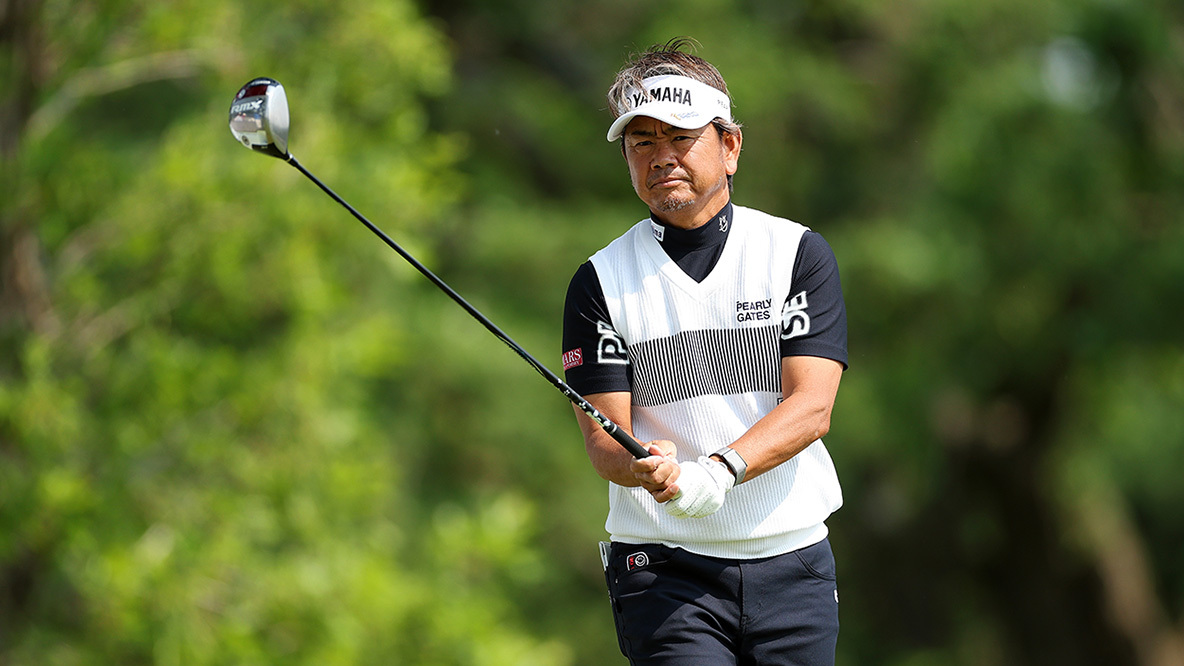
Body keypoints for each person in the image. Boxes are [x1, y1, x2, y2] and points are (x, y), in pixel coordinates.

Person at [561, 38, 849, 664]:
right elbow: (604, 439)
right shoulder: (600, 280)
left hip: (792, 561)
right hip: (663, 570)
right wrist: (640, 467)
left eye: (681, 137)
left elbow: (812, 407)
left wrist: (718, 471)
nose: (660, 156)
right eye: (642, 142)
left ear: (731, 146)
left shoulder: (795, 253)